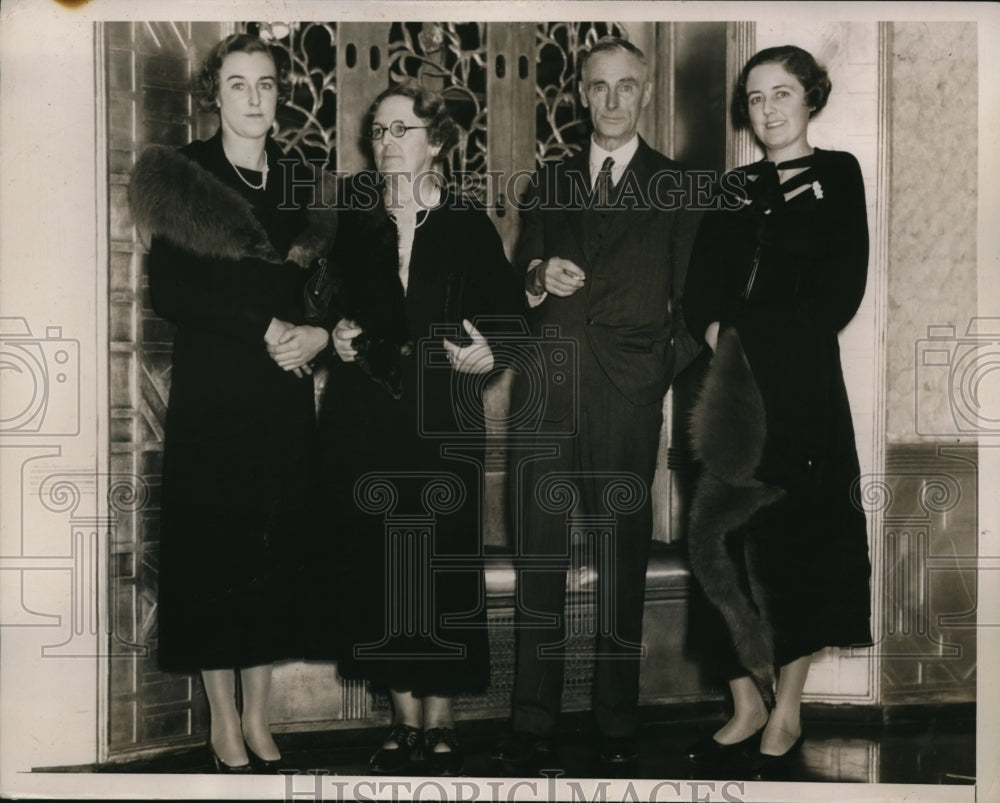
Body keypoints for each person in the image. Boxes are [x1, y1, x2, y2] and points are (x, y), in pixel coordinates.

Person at [128, 33, 335, 773]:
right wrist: (266, 325)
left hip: (280, 395)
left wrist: (313, 333)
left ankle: (258, 714)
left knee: (271, 557)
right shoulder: (184, 175)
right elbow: (173, 291)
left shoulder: (305, 183)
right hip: (216, 393)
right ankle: (222, 719)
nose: (253, 98)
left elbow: (330, 294)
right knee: (216, 555)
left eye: (266, 84)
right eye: (239, 84)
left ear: (281, 94)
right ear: (215, 94)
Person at [494, 37, 701, 774]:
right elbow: (519, 279)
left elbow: (697, 309)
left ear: (644, 93)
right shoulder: (549, 181)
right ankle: (532, 718)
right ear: (581, 93)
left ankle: (618, 717)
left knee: (620, 565)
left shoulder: (678, 186)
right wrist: (536, 275)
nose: (612, 100)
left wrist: (652, 378)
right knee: (539, 562)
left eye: (626, 87)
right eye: (599, 87)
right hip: (545, 395)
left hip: (626, 400)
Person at [317, 83, 525, 777]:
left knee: (438, 565)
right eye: (378, 131)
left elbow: (508, 322)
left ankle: (443, 720)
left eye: (400, 130)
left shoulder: (466, 226)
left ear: (435, 141)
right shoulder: (353, 221)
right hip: (366, 419)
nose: (386, 144)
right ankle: (404, 720)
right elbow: (324, 305)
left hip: (442, 424)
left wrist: (491, 350)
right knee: (383, 564)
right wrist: (336, 335)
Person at [681, 45, 872, 780]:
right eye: (756, 98)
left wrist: (759, 339)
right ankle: (746, 704)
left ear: (810, 98)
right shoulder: (734, 187)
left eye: (782, 93)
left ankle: (787, 707)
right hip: (730, 395)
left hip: (800, 395)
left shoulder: (839, 174)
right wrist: (721, 339)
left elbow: (839, 290)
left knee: (792, 551)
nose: (768, 109)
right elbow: (702, 293)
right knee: (718, 545)